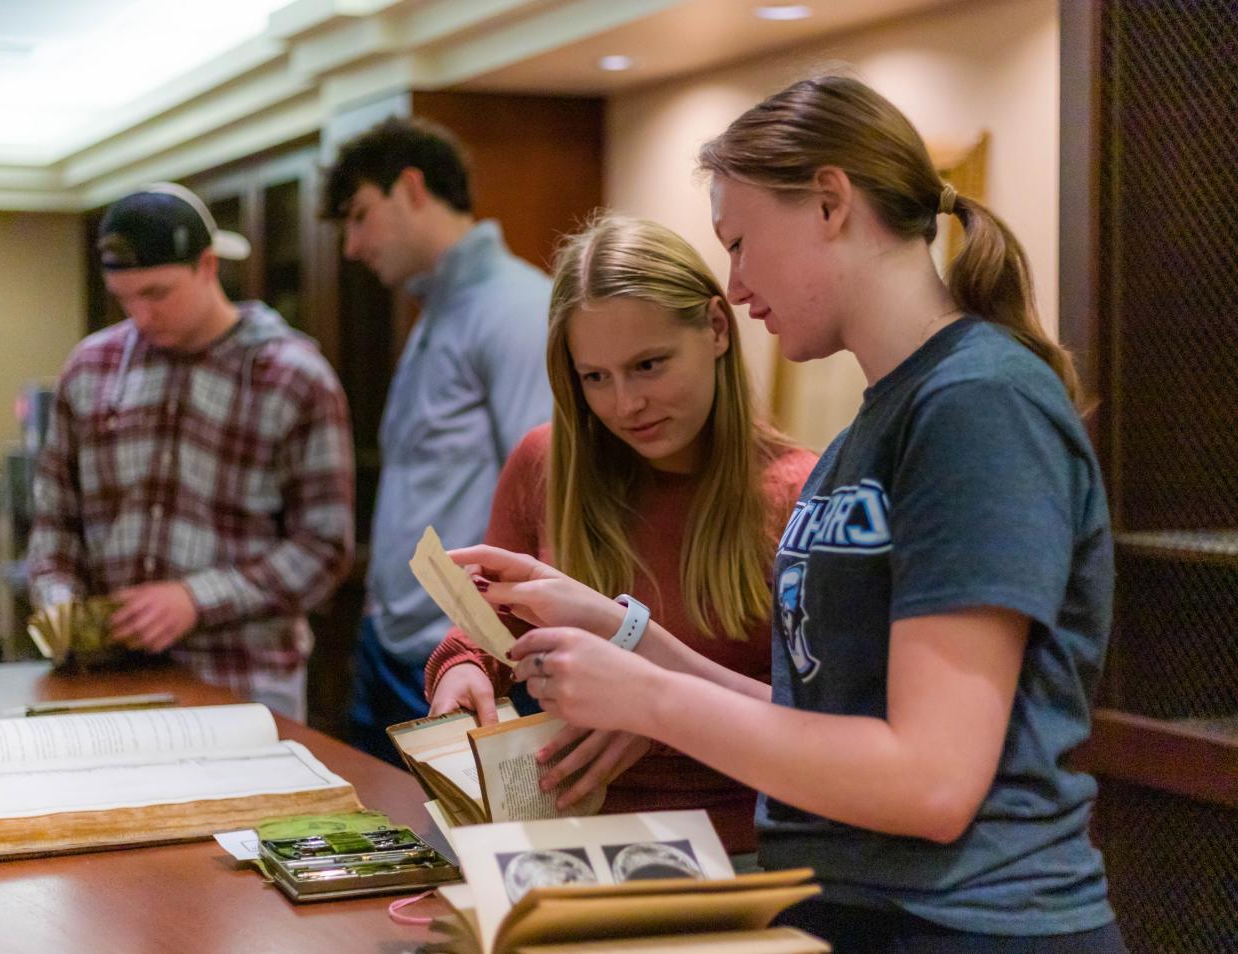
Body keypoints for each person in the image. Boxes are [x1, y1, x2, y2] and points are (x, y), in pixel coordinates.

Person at [452, 73, 1128, 953]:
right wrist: (625, 634)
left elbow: (929, 780)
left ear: (829, 203)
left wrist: (650, 696)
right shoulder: (875, 425)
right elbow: (817, 725)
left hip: (971, 923)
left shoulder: (976, 404)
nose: (733, 285)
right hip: (859, 909)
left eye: (739, 242)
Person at [423, 214, 816, 856]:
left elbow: (825, 735)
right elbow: (494, 627)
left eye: (649, 365)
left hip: (743, 851)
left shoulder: (798, 493)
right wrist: (462, 668)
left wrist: (661, 716)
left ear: (717, 329)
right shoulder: (545, 466)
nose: (625, 404)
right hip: (569, 843)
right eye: (595, 377)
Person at [28, 183, 354, 719]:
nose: (141, 316)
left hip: (246, 682)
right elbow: (56, 522)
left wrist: (196, 599)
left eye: (156, 293)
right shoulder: (90, 369)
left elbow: (323, 548)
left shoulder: (293, 377)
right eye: (125, 298)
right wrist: (56, 600)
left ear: (208, 265)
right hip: (110, 680)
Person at [322, 117, 552, 761]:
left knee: (454, 855)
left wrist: (477, 645)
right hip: (394, 642)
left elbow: (541, 497)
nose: (351, 245)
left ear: (412, 188)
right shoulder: (438, 312)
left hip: (459, 652)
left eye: (359, 215)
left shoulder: (514, 308)